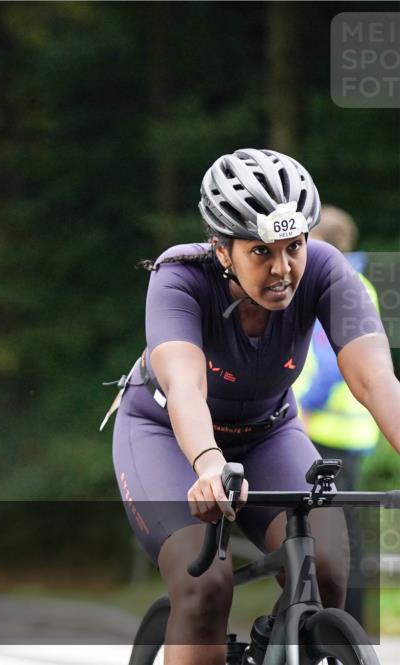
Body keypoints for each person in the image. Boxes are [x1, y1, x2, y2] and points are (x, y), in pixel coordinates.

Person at [108, 148, 400, 665]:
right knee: (206, 587)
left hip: (268, 430)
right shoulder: (179, 278)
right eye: (261, 252)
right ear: (222, 251)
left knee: (327, 568)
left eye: (295, 246)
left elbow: (376, 380)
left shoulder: (326, 270)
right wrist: (208, 462)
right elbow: (184, 387)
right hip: (166, 435)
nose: (283, 268)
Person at [293, 205, 380, 625]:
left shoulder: (337, 285)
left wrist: (303, 408)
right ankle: (349, 628)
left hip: (325, 431)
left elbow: (329, 362)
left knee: (330, 534)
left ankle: (339, 624)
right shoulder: (361, 283)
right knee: (345, 533)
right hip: (353, 432)